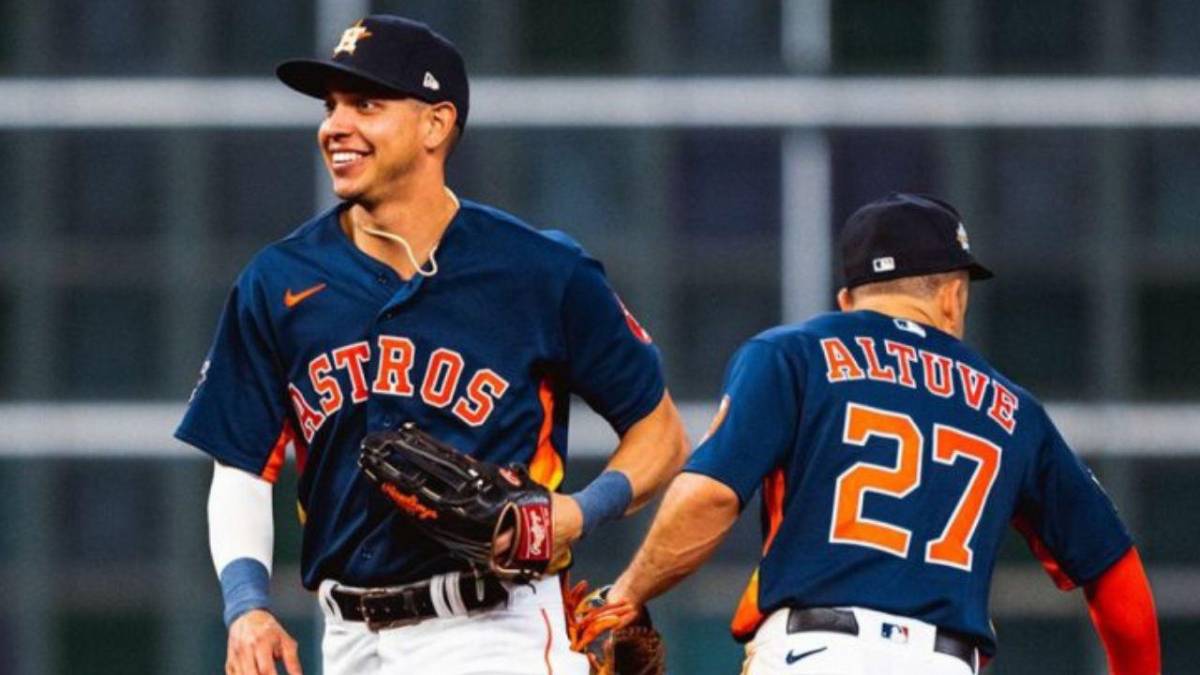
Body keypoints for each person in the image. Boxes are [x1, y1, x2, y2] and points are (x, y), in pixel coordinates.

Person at [176, 15, 688, 675]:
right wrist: (246, 603)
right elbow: (242, 467)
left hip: (493, 627)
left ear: (436, 124)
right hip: (348, 638)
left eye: (367, 103)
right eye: (332, 106)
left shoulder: (538, 270)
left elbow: (662, 433)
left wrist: (579, 512)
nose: (335, 125)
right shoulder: (276, 282)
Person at [600, 193, 1160, 674]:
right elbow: (1118, 579)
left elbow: (712, 495)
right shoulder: (1014, 409)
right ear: (950, 295)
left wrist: (628, 593)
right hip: (944, 662)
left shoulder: (794, 354)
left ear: (848, 298)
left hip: (816, 653)